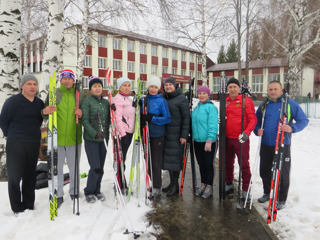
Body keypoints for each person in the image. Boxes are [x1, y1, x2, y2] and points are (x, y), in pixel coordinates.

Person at [0, 74, 54, 215]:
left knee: (30, 176)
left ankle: (29, 205)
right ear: (22, 86)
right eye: (29, 84)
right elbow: (3, 121)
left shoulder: (39, 103)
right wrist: (12, 135)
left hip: (33, 142)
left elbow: (42, 117)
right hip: (16, 143)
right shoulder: (12, 102)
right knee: (14, 176)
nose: (32, 87)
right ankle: (17, 207)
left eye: (34, 84)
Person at [254, 81, 309, 210]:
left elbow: (303, 120)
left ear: (281, 90)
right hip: (266, 144)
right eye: (270, 89)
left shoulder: (289, 104)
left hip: (282, 145)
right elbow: (256, 122)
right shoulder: (264, 105)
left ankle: (281, 199)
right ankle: (267, 192)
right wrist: (257, 130)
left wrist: (292, 128)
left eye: (275, 89)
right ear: (267, 91)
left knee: (282, 173)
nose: (273, 92)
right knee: (264, 171)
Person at [44, 69, 85, 208]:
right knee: (57, 169)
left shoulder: (80, 94)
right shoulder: (54, 93)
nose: (67, 80)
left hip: (74, 137)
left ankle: (74, 191)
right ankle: (58, 194)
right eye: (64, 78)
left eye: (69, 78)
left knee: (74, 167)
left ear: (73, 80)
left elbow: (85, 115)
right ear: (60, 80)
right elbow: (43, 113)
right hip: (57, 138)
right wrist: (45, 111)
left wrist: (82, 113)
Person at [224, 78, 257, 199]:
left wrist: (247, 133)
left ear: (239, 88)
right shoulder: (225, 101)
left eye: (234, 87)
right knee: (227, 162)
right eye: (230, 87)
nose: (232, 89)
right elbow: (225, 117)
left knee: (243, 164)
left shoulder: (246, 101)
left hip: (241, 139)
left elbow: (253, 119)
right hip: (227, 138)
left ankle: (245, 189)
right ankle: (228, 183)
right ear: (227, 89)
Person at [140, 76, 171, 198]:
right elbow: (140, 116)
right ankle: (152, 183)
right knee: (147, 161)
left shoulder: (161, 101)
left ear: (159, 89)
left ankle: (157, 187)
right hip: (145, 134)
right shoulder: (143, 100)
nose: (153, 89)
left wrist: (152, 118)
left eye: (156, 87)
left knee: (156, 162)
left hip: (157, 135)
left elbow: (167, 118)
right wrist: (141, 119)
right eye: (151, 86)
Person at [81, 76, 110, 203]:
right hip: (91, 139)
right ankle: (89, 191)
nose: (97, 88)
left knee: (101, 167)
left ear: (102, 88)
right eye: (94, 86)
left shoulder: (106, 102)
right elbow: (85, 120)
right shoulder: (87, 101)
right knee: (95, 167)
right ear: (91, 88)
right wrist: (95, 133)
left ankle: (97, 190)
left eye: (99, 86)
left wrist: (113, 110)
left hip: (104, 139)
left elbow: (109, 120)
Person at [162, 77, 190, 196]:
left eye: (170, 85)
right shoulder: (163, 98)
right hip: (166, 133)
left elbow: (186, 117)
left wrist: (184, 135)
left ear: (175, 86)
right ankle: (171, 183)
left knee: (175, 160)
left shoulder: (182, 99)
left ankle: (175, 185)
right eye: (166, 85)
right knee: (168, 160)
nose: (168, 87)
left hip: (177, 134)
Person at [192, 86, 218, 198]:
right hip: (197, 141)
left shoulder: (211, 108)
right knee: (201, 164)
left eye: (204, 93)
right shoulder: (196, 108)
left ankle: (209, 186)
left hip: (208, 141)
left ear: (208, 95)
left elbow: (213, 125)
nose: (201, 95)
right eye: (200, 93)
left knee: (208, 164)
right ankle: (203, 184)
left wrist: (210, 140)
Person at [112, 77, 136, 189]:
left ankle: (121, 179)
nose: (127, 88)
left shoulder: (129, 99)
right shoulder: (118, 99)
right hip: (123, 134)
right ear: (119, 87)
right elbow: (117, 118)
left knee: (123, 157)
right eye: (124, 85)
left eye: (128, 85)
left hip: (129, 132)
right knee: (120, 158)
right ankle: (120, 181)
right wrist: (123, 134)